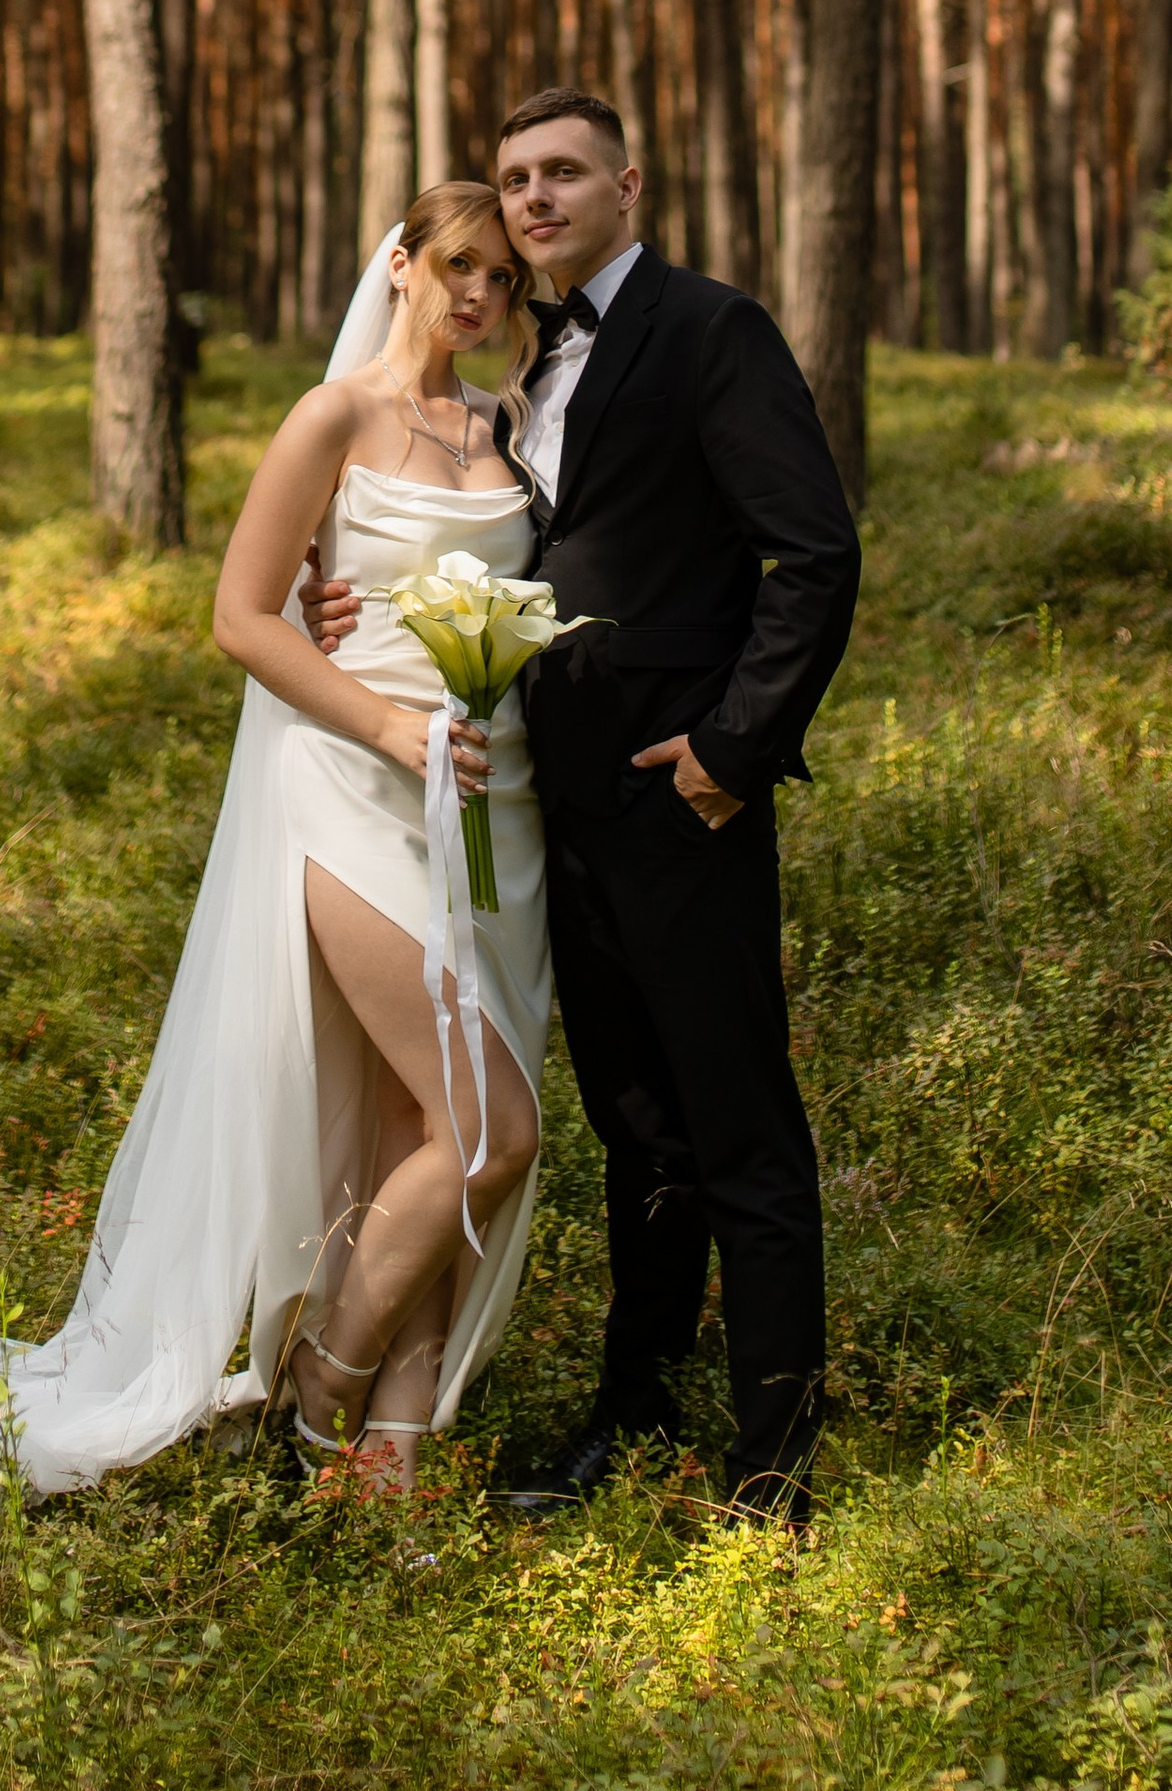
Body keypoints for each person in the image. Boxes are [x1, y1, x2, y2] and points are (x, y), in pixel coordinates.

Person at [0, 183, 550, 1500]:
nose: (479, 295)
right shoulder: (333, 415)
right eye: (459, 265)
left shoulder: (511, 427)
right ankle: (325, 1380)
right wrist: (389, 724)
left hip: (495, 804)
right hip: (356, 789)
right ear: (403, 261)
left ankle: (389, 1462)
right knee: (491, 1129)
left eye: (506, 280)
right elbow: (244, 616)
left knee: (413, 1132)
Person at [305, 86, 860, 1518]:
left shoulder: (711, 330)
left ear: (632, 184)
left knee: (740, 1131)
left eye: (562, 173)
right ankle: (634, 1412)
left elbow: (815, 555)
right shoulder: (525, 366)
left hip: (683, 809)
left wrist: (730, 757)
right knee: (639, 1131)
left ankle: (772, 1463)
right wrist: (344, 590)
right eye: (513, 179)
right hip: (551, 819)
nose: (535, 199)